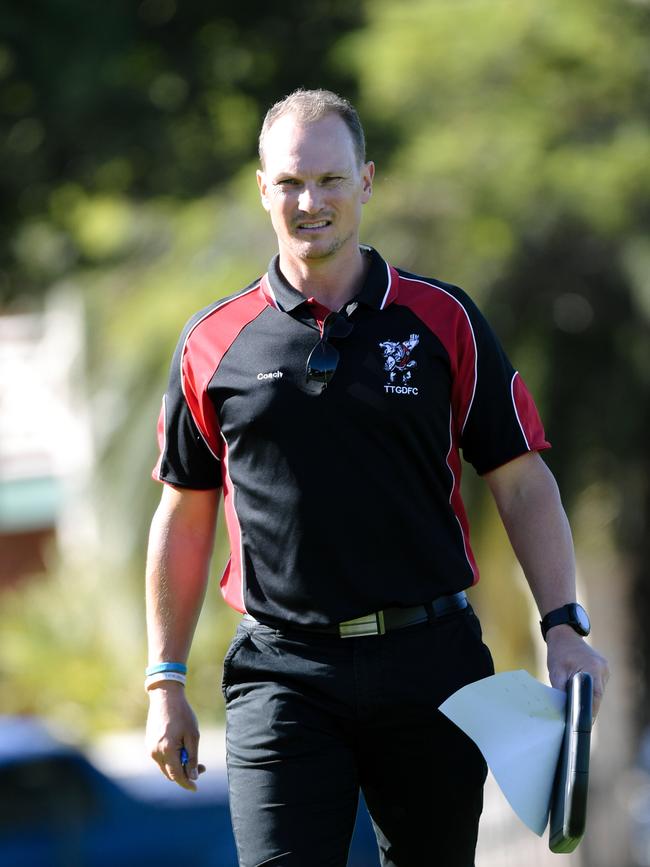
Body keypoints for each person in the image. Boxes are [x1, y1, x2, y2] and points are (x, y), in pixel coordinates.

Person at [145, 88, 609, 867]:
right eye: (290, 182)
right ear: (263, 190)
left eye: (329, 180)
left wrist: (563, 624)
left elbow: (522, 481)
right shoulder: (212, 343)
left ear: (366, 180)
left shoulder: (444, 320)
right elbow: (183, 515)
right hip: (282, 675)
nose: (310, 201)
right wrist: (165, 679)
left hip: (433, 666)